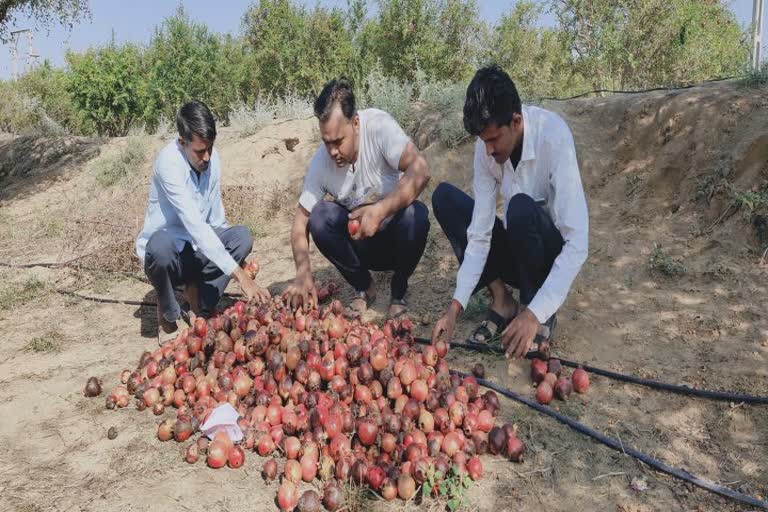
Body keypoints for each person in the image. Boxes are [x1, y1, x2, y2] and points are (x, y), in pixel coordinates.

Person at [431, 65, 589, 359]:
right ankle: (503, 301)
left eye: (493, 139)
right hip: (516, 250)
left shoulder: (553, 138)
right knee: (445, 199)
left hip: (545, 254)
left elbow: (578, 243)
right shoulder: (486, 149)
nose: (487, 149)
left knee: (519, 207)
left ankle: (535, 309)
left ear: (516, 121)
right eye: (482, 140)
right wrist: (454, 308)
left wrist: (534, 312)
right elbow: (479, 234)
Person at [282, 79, 431, 319]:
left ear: (356, 122)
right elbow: (300, 222)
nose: (332, 151)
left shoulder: (379, 126)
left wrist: (380, 210)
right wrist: (303, 271)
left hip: (396, 239)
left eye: (338, 141)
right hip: (360, 247)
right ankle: (363, 287)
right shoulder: (321, 163)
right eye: (326, 142)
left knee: (417, 215)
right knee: (319, 216)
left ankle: (398, 291)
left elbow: (421, 170)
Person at [136, 100, 270, 343]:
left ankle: (198, 298)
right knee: (160, 246)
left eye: (210, 148)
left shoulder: (211, 158)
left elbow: (216, 220)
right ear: (182, 142)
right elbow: (195, 225)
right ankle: (168, 310)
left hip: (196, 252)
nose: (207, 157)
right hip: (170, 256)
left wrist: (236, 259)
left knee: (241, 237)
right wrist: (241, 277)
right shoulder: (168, 163)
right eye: (200, 151)